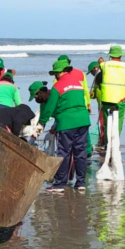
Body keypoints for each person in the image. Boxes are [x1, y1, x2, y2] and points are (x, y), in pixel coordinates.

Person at [37, 59, 91, 193]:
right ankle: (81, 183)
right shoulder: (78, 84)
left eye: (55, 74)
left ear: (59, 73)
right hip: (83, 120)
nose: (55, 76)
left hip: (67, 123)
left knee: (63, 153)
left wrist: (41, 122)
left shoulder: (58, 86)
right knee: (80, 152)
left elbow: (50, 107)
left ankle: (60, 184)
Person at [92, 45, 125, 147]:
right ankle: (115, 143)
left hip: (107, 98)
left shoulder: (104, 65)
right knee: (118, 123)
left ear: (110, 55)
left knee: (107, 123)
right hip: (121, 99)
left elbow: (98, 79)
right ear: (121, 55)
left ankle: (107, 144)